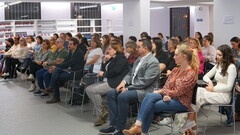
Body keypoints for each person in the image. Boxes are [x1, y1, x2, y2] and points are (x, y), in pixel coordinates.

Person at [123, 44, 199, 135]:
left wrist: (163, 92)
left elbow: (178, 92)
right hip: (170, 96)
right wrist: (167, 94)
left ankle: (141, 130)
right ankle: (138, 127)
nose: (173, 57)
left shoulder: (191, 74)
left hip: (181, 102)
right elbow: (167, 86)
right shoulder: (175, 70)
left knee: (151, 105)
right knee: (149, 96)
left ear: (184, 56)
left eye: (176, 55)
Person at [99, 39, 160, 135]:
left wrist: (128, 88)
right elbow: (130, 73)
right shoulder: (139, 59)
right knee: (111, 94)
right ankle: (113, 125)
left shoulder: (153, 62)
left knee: (123, 96)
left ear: (145, 48)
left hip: (145, 90)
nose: (137, 48)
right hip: (134, 87)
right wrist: (123, 82)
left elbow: (145, 82)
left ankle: (120, 128)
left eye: (139, 47)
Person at [179, 44, 237, 133]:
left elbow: (229, 87)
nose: (217, 57)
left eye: (220, 55)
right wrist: (210, 82)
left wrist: (213, 89)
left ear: (226, 56)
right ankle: (191, 124)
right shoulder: (219, 65)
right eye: (217, 54)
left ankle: (191, 123)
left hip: (224, 96)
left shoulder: (231, 67)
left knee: (198, 96)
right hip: (214, 91)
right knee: (195, 92)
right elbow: (205, 76)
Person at [85, 42, 129, 126]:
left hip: (115, 82)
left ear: (115, 50)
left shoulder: (121, 58)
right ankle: (103, 110)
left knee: (94, 91)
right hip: (108, 80)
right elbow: (103, 69)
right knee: (88, 89)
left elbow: (116, 71)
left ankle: (100, 113)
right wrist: (104, 61)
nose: (108, 51)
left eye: (110, 49)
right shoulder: (113, 58)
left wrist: (104, 74)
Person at [44, 38, 85, 104]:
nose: (69, 45)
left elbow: (69, 63)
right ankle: (52, 90)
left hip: (76, 73)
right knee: (56, 72)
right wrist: (55, 66)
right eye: (69, 44)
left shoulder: (78, 53)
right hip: (70, 70)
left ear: (76, 45)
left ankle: (53, 92)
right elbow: (66, 61)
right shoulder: (72, 51)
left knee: (56, 75)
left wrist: (56, 66)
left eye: (71, 44)